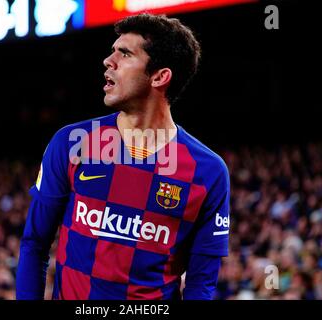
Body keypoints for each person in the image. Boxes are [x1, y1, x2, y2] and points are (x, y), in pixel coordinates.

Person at [16, 13, 230, 300]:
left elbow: (200, 284)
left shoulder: (209, 172)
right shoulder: (72, 143)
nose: (109, 60)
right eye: (112, 50)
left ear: (159, 76)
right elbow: (35, 243)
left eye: (125, 53)